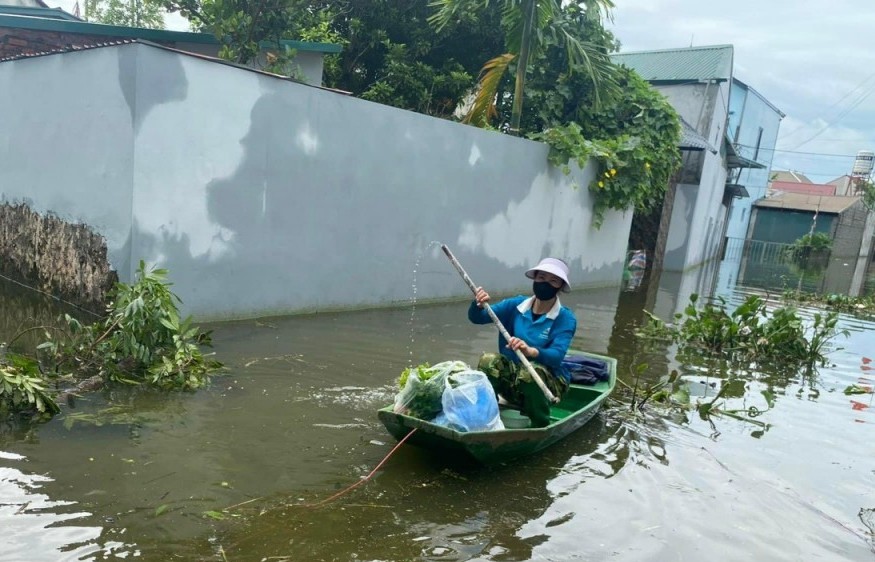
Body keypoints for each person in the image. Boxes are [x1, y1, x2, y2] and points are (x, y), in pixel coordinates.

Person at [468, 257, 577, 427]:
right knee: (488, 361)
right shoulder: (516, 305)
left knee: (530, 372)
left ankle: (540, 424)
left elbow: (557, 356)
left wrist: (531, 351)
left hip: (547, 383)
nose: (545, 283)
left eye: (553, 281)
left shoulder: (564, 317)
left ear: (560, 286)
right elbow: (477, 318)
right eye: (541, 278)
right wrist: (478, 304)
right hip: (514, 377)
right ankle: (486, 414)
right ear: (535, 279)